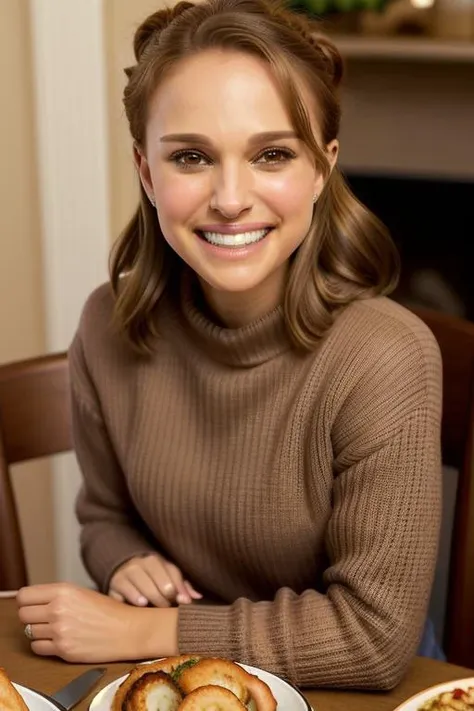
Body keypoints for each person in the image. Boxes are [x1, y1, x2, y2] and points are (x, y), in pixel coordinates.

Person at [16, 0, 442, 689]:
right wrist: (124, 559)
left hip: (351, 691)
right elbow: (104, 516)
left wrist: (146, 629)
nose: (231, 198)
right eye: (191, 157)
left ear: (322, 167)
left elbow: (373, 637)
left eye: (272, 154)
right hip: (189, 681)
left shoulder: (388, 356)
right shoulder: (107, 324)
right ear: (147, 173)